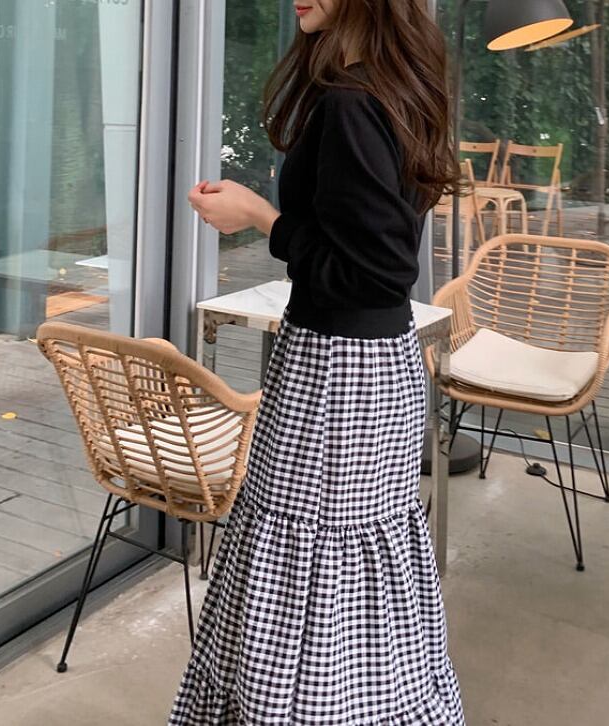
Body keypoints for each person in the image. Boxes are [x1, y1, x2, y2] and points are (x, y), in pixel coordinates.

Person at [168, 1, 464, 723]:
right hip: (379, 369)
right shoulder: (393, 85)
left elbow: (374, 273)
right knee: (357, 578)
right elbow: (380, 260)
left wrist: (258, 216)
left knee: (309, 572)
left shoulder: (352, 102)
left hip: (336, 378)